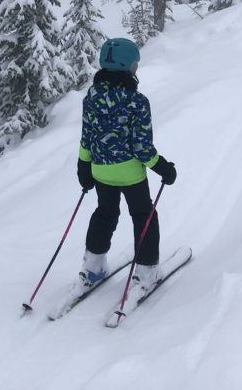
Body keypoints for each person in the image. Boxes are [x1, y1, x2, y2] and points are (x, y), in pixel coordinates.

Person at [75, 37, 176, 295]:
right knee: (144, 217)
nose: (136, 68)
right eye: (135, 64)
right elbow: (142, 148)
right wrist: (162, 167)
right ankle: (145, 274)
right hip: (130, 173)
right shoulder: (137, 101)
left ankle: (93, 269)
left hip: (100, 171)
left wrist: (83, 165)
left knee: (105, 214)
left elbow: (88, 135)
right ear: (128, 67)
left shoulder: (92, 95)